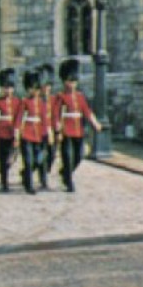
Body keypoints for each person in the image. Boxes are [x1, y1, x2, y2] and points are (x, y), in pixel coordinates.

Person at [52, 59, 104, 192]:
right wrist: (57, 127)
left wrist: (95, 122)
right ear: (64, 81)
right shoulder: (60, 96)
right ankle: (69, 181)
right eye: (69, 81)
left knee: (78, 156)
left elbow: (86, 111)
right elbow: (56, 113)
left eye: (74, 81)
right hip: (66, 131)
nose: (72, 84)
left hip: (77, 130)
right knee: (67, 156)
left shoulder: (80, 96)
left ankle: (65, 172)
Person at [13, 66, 52, 195]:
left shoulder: (42, 103)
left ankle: (26, 175)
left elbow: (45, 120)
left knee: (38, 160)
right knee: (29, 160)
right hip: (26, 134)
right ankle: (29, 186)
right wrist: (17, 135)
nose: (34, 91)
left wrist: (49, 133)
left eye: (37, 88)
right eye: (32, 88)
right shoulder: (24, 102)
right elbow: (19, 120)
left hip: (39, 134)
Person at [0, 68, 21, 192]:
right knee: (2, 156)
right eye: (6, 87)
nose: (8, 90)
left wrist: (17, 129)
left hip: (13, 132)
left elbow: (19, 116)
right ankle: (4, 181)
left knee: (10, 157)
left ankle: (4, 169)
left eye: (10, 87)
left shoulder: (17, 102)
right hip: (2, 132)